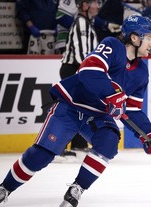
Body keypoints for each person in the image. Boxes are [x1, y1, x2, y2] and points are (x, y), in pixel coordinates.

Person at [0, 14, 151, 207]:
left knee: (108, 142)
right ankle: (5, 188)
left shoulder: (141, 72)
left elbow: (132, 110)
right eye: (149, 38)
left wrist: (148, 136)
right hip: (72, 105)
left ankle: (77, 188)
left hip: (98, 115)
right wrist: (112, 93)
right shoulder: (112, 46)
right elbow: (88, 70)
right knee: (41, 155)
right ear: (134, 38)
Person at [58, 0, 101, 157]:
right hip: (73, 70)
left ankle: (78, 143)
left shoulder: (87, 24)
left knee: (80, 109)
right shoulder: (81, 24)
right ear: (85, 5)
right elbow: (81, 56)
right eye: (95, 3)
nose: (98, 6)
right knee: (70, 109)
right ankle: (57, 145)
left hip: (79, 70)